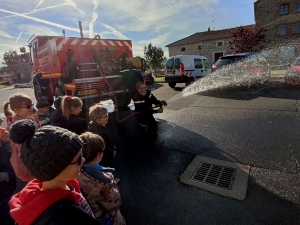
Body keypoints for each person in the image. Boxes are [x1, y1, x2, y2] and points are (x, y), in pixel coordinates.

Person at [8, 119, 99, 225]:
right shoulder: (61, 219)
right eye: (78, 159)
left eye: (82, 155)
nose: (83, 160)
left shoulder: (67, 185)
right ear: (56, 168)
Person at [78, 132, 125, 225]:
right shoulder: (104, 182)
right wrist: (112, 183)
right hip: (104, 218)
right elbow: (115, 203)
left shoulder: (74, 170)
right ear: (99, 155)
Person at [3, 93, 41, 182]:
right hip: (25, 164)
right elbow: (22, 150)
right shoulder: (16, 127)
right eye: (28, 106)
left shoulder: (31, 118)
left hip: (35, 159)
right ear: (17, 110)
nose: (32, 108)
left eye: (32, 104)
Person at [0, 117, 16, 225]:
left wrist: (6, 143)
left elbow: (12, 159)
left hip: (9, 190)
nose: (1, 120)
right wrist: (4, 176)